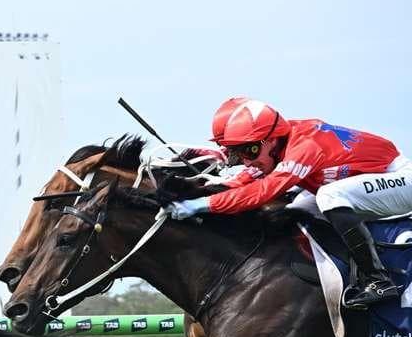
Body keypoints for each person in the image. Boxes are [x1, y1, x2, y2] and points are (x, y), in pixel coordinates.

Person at [168, 97, 412, 308]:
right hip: (363, 184)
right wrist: (198, 185)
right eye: (238, 154)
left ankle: (378, 280)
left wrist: (203, 204)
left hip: (400, 178)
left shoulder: (305, 147)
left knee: (329, 196)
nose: (246, 161)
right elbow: (244, 180)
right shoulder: (277, 144)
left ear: (271, 140)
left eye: (249, 151)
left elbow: (262, 192)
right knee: (296, 210)